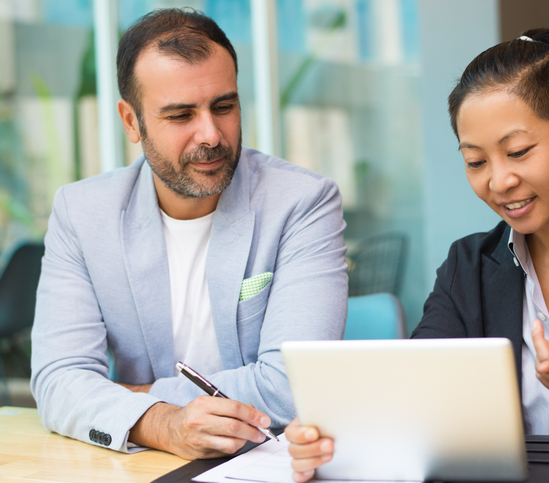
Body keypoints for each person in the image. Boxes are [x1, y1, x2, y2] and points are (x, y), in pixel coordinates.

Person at [284, 28, 549, 482]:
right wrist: (327, 436)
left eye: (517, 152)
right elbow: (415, 398)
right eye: (476, 162)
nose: (498, 181)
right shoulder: (467, 267)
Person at [30, 8, 348, 459]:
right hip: (143, 465)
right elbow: (57, 378)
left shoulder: (302, 202)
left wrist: (127, 399)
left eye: (224, 106)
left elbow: (290, 386)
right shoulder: (82, 214)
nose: (211, 134)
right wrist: (161, 424)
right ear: (131, 122)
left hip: (267, 459)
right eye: (181, 115)